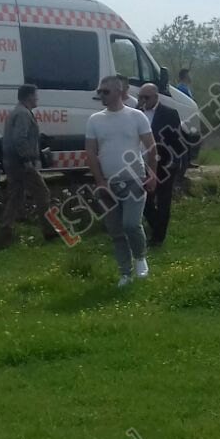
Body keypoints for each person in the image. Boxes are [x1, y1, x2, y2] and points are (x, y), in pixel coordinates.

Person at [85, 75, 157, 286]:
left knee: (131, 224)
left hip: (134, 178)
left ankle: (140, 257)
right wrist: (100, 181)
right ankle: (125, 273)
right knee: (116, 230)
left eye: (106, 92)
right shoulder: (95, 120)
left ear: (119, 92)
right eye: (100, 92)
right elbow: (90, 153)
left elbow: (152, 147)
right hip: (108, 182)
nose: (102, 95)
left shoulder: (136, 116)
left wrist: (152, 174)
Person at [0, 84, 56, 248]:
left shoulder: (17, 112)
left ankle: (5, 231)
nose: (37, 98)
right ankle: (50, 231)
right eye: (36, 95)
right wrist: (27, 159)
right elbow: (20, 138)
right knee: (43, 193)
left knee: (15, 196)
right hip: (22, 163)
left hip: (12, 162)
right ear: (29, 96)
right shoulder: (23, 114)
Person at [137, 83, 182, 247]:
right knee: (145, 200)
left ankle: (158, 238)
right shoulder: (136, 113)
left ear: (156, 97)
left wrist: (174, 162)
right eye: (140, 97)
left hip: (164, 163)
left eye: (146, 97)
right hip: (142, 162)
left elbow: (177, 141)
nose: (143, 100)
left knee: (163, 200)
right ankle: (157, 226)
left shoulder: (169, 114)